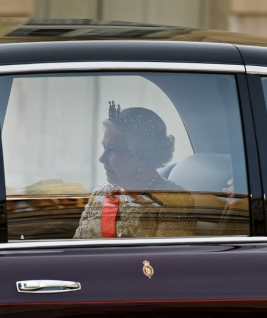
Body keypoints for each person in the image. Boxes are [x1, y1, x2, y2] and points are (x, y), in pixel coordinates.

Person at [74, 102, 195, 238]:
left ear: (142, 155)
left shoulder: (173, 201)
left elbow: (164, 258)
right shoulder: (101, 193)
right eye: (104, 148)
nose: (102, 158)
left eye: (112, 150)